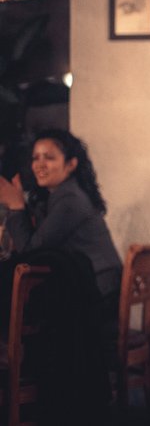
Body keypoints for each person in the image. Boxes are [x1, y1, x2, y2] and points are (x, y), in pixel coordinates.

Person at [0, 128, 122, 305]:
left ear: (71, 164)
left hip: (98, 290)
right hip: (91, 282)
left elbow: (30, 252)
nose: (39, 165)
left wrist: (16, 206)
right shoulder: (61, 194)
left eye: (49, 158)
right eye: (36, 158)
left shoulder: (70, 200)